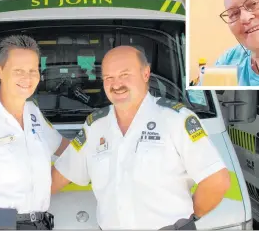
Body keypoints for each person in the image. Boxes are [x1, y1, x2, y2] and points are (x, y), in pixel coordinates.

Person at [51, 46, 231, 230]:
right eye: (108, 78)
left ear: (146, 74)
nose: (116, 84)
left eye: (124, 74)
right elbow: (60, 175)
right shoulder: (95, 126)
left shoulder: (176, 119)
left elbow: (217, 181)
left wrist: (186, 223)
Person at [0, 35, 69, 230]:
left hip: (39, 224)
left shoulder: (32, 112)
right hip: (2, 226)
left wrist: (100, 145)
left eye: (33, 70)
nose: (28, 78)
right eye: (19, 71)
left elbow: (64, 148)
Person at [216, 0, 259, 86]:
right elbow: (197, 97)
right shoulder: (228, 59)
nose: (244, 18)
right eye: (234, 13)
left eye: (254, 3)